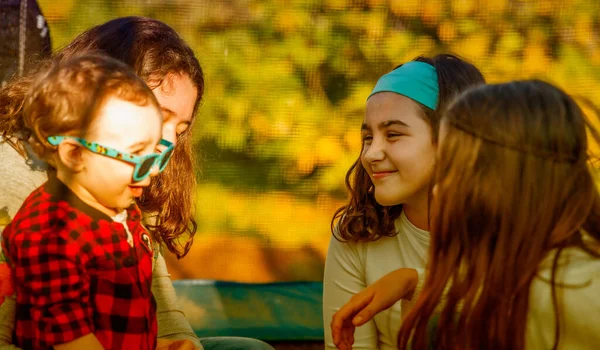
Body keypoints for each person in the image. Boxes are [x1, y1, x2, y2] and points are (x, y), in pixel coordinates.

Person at [0, 16, 273, 350]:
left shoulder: (127, 187)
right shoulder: (23, 188)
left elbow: (162, 314)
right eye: (159, 116)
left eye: (182, 128)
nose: (170, 140)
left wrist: (179, 345)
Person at [395, 80, 600, 349]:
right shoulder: (539, 276)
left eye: (449, 170)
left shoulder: (573, 294)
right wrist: (413, 281)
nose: (437, 191)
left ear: (497, 181)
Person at [323, 54, 485, 350]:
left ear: (454, 138)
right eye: (368, 138)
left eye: (393, 134)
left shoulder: (509, 230)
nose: (371, 154)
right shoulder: (356, 235)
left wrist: (412, 283)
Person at [3, 54, 164, 349]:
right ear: (75, 155)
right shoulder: (49, 235)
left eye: (157, 153)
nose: (153, 170)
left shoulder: (117, 206)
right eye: (139, 155)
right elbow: (73, 342)